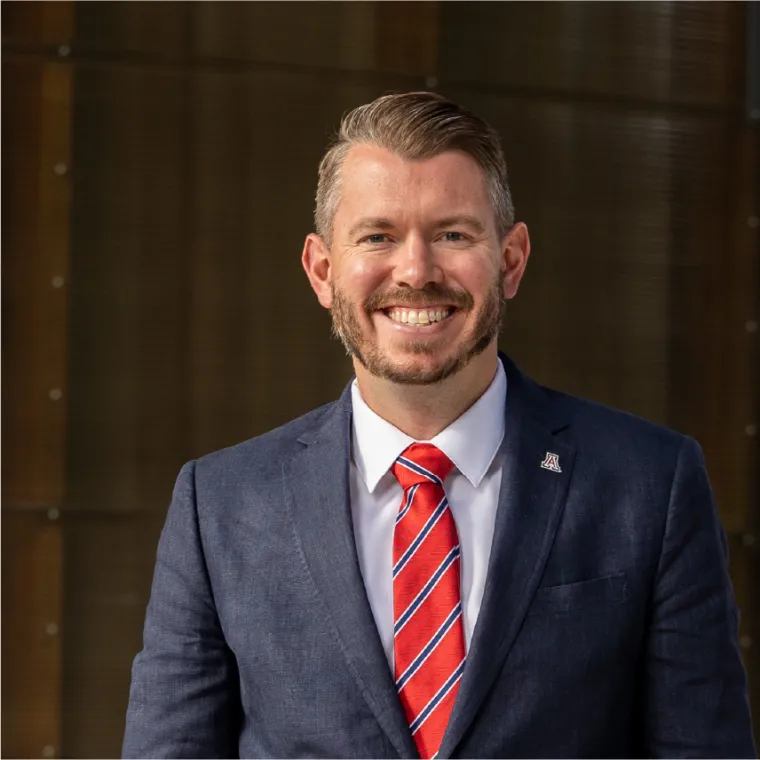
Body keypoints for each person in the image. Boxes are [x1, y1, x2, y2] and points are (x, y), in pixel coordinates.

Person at [122, 92, 756, 759]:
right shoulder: (220, 504)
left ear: (510, 261)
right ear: (322, 269)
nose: (417, 271)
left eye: (454, 234)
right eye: (378, 236)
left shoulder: (650, 485)